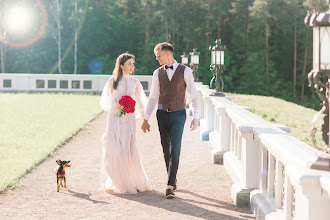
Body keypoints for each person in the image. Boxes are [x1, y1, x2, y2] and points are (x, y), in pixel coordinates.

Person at [141, 42, 199, 199]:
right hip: (162, 114)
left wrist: (196, 117)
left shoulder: (186, 71)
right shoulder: (157, 73)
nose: (157, 59)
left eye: (158, 55)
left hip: (179, 114)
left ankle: (169, 186)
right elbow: (153, 97)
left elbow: (194, 96)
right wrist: (146, 118)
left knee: (176, 149)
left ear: (167, 54)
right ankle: (172, 178)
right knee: (166, 149)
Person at [99, 53, 150, 194]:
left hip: (129, 119)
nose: (132, 66)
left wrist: (145, 119)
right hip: (115, 118)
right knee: (114, 146)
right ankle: (117, 181)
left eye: (133, 63)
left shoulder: (135, 82)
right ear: (121, 66)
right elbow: (105, 100)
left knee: (128, 145)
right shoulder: (112, 81)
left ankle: (131, 180)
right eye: (129, 64)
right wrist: (118, 105)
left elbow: (141, 101)